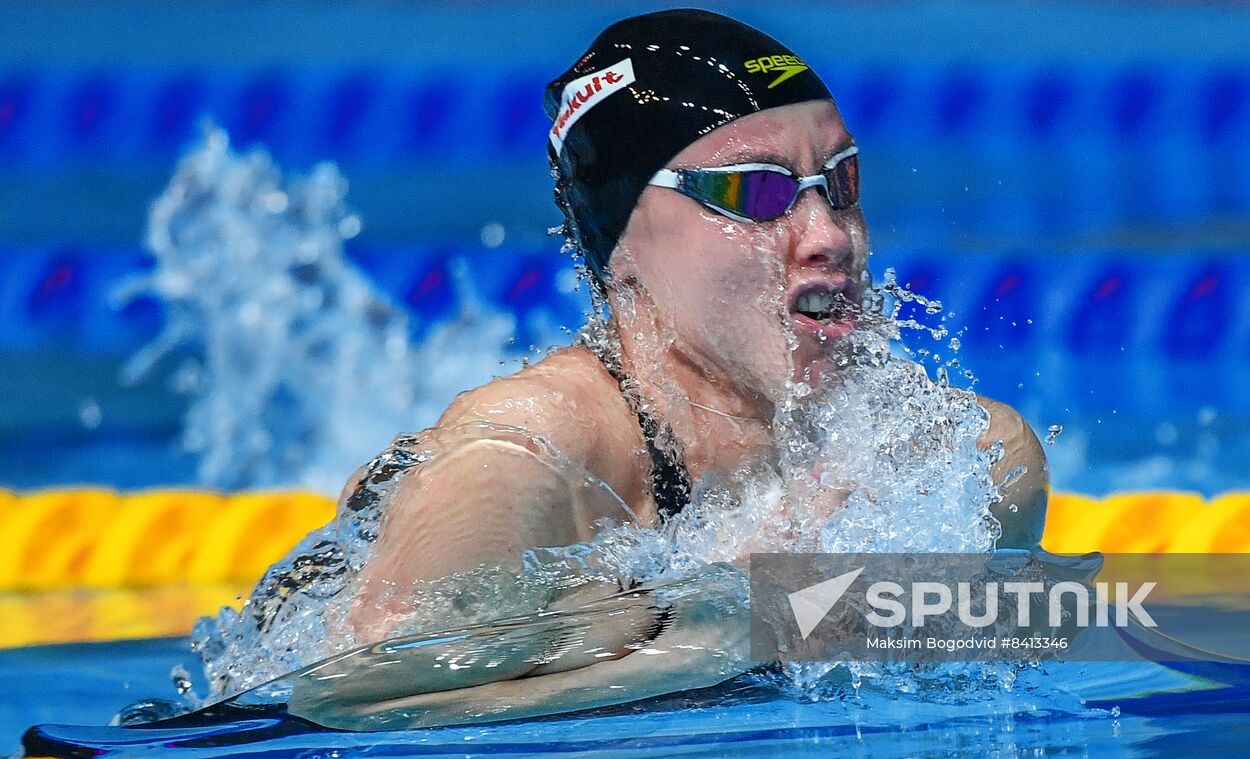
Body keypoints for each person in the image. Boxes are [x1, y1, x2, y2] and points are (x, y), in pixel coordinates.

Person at [347, 8, 1047, 649]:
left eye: (842, 182)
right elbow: (362, 705)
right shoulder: (523, 458)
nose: (829, 234)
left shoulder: (965, 462)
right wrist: (720, 618)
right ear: (621, 242)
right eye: (754, 189)